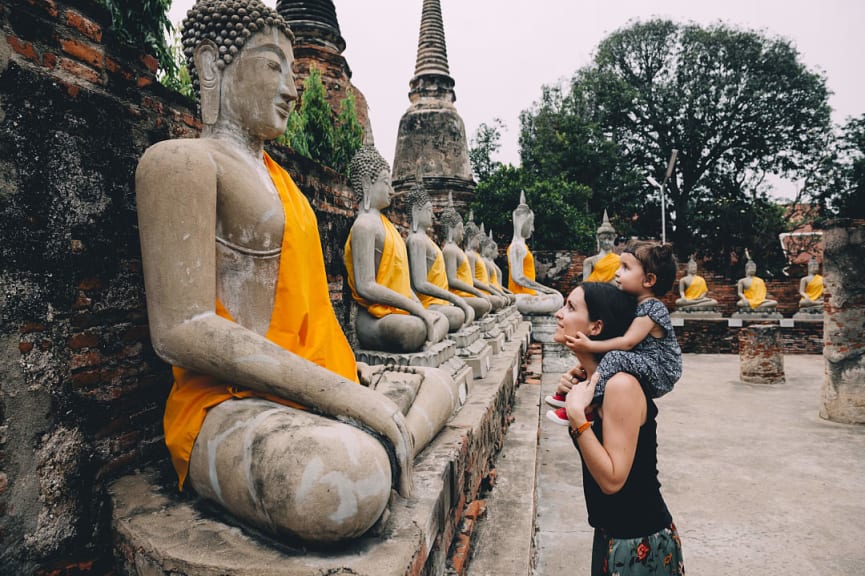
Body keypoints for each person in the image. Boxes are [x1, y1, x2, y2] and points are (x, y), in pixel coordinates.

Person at [136, 0, 449, 543]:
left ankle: (382, 429)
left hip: (310, 380)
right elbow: (181, 328)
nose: (291, 88)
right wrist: (343, 396)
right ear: (213, 65)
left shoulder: (285, 184)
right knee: (343, 482)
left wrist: (344, 387)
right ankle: (380, 435)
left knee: (444, 381)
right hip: (226, 401)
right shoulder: (180, 163)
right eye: (273, 66)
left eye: (293, 70)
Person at [556, 283, 685, 575]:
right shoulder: (594, 385)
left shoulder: (621, 385)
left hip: (639, 540)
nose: (558, 314)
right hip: (609, 534)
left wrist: (577, 417)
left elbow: (613, 480)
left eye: (570, 307)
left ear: (596, 327)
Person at [546, 241, 681, 423]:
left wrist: (590, 345)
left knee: (614, 358)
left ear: (648, 280)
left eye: (625, 268)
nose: (617, 272)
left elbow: (627, 343)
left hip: (661, 370)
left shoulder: (652, 308)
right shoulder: (634, 305)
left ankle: (589, 405)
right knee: (602, 363)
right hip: (644, 363)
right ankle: (573, 392)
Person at [344, 141, 450, 352]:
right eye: (386, 182)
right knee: (411, 329)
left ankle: (427, 331)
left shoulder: (388, 226)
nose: (392, 190)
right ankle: (426, 333)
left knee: (442, 318)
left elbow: (402, 282)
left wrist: (419, 308)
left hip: (399, 312)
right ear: (367, 183)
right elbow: (366, 286)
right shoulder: (364, 225)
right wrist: (415, 308)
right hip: (374, 318)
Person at [405, 177, 475, 332]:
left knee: (464, 311)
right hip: (428, 302)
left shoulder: (427, 241)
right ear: (416, 211)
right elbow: (420, 284)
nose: (433, 216)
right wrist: (454, 297)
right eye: (429, 211)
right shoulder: (416, 240)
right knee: (458, 315)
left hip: (440, 301)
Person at [507, 191, 564, 314]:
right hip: (519, 296)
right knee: (556, 298)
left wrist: (541, 291)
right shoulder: (516, 246)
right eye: (531, 224)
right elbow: (518, 278)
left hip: (528, 294)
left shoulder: (522, 246)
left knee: (557, 298)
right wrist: (545, 289)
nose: (532, 229)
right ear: (523, 224)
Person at [440, 192, 494, 320]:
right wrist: (476, 291)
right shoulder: (449, 250)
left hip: (468, 295)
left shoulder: (458, 250)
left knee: (490, 302)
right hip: (459, 295)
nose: (463, 232)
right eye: (460, 228)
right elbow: (451, 280)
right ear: (450, 228)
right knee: (485, 303)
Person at [582, 211, 620, 284]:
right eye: (603, 239)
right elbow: (585, 285)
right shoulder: (590, 261)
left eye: (610, 239)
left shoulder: (619, 260)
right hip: (595, 292)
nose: (606, 242)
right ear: (598, 239)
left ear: (614, 238)